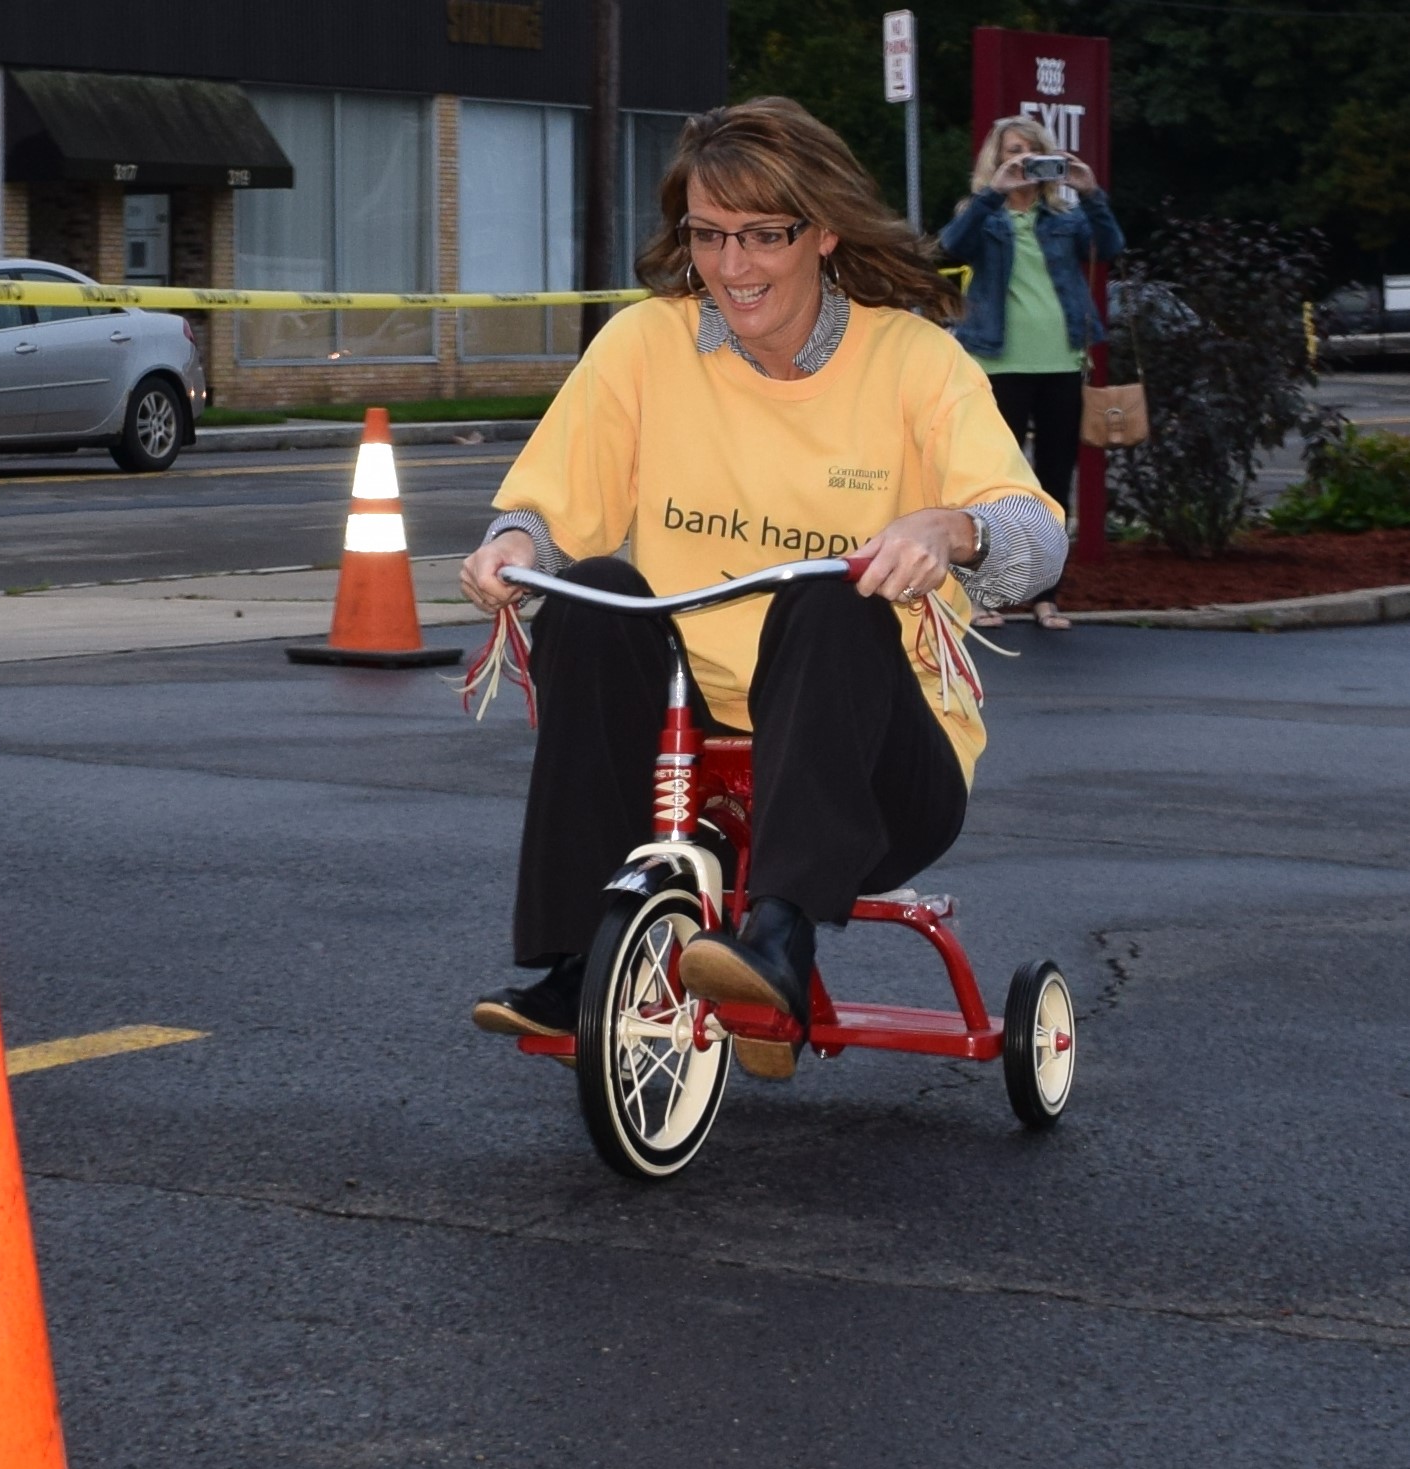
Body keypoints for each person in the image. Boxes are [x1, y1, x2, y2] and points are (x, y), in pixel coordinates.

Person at [461, 97, 1068, 1076]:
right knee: (595, 591)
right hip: (691, 758)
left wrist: (949, 527)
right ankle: (582, 963)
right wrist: (514, 548)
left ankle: (778, 942)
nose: (733, 266)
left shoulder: (914, 362)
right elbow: (543, 507)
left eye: (762, 235)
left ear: (822, 231)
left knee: (836, 590)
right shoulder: (647, 346)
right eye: (709, 235)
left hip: (880, 770)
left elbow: (1038, 535)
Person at [938, 115, 1124, 629]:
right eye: (1010, 153)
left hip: (1061, 361)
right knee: (993, 484)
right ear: (995, 162)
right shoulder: (982, 216)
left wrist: (1091, 194)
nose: (1020, 161)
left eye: (1030, 152)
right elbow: (946, 249)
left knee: (1053, 482)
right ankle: (983, 595)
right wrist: (991, 196)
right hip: (998, 363)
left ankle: (1047, 596)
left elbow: (1110, 248)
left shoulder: (1066, 217)